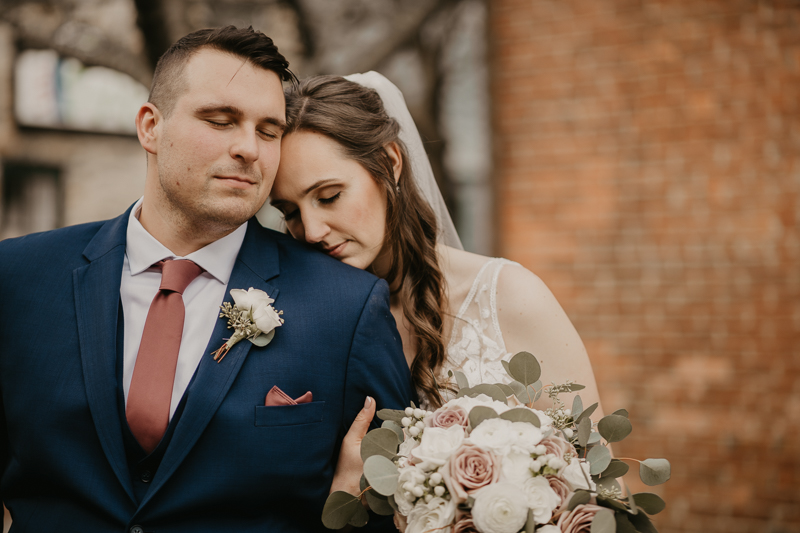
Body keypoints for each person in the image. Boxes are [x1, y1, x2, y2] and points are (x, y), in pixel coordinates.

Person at [0, 28, 412, 532]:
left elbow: (386, 510)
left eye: (268, 131)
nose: (248, 148)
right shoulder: (18, 278)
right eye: (220, 120)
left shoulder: (347, 308)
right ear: (151, 127)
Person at [269, 72, 606, 498]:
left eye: (329, 195)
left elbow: (595, 478)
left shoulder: (511, 297)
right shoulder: (309, 320)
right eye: (290, 212)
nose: (312, 230)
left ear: (390, 162)